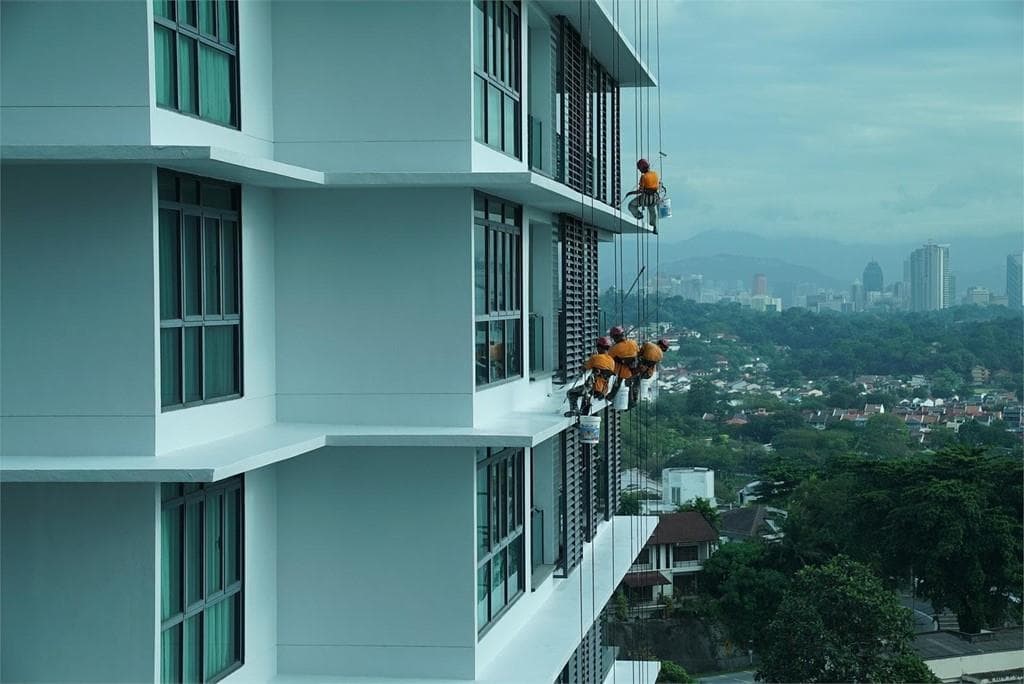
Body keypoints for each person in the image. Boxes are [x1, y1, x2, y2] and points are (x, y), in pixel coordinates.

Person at [565, 337, 616, 416]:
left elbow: (584, 368)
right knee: (586, 397)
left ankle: (575, 410)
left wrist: (588, 361)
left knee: (571, 393)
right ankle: (582, 414)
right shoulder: (612, 361)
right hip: (603, 390)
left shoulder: (595, 358)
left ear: (599, 347)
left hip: (592, 387)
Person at [629, 338, 670, 405]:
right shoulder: (661, 355)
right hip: (647, 373)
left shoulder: (648, 344)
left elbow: (639, 353)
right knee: (636, 383)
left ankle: (632, 397)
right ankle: (634, 399)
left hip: (639, 368)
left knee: (635, 381)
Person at [624, 159, 661, 227]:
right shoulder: (655, 174)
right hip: (655, 198)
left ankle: (639, 215)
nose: (639, 170)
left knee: (631, 205)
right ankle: (653, 226)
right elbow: (658, 185)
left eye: (640, 169)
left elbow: (640, 191)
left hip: (646, 198)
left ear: (642, 168)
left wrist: (630, 193)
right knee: (652, 211)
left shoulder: (643, 177)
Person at [607, 325, 639, 401]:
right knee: (632, 386)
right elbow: (638, 353)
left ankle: (610, 397)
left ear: (615, 337)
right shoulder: (633, 343)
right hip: (634, 371)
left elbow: (608, 359)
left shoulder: (614, 349)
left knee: (617, 384)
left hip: (621, 373)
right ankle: (633, 399)